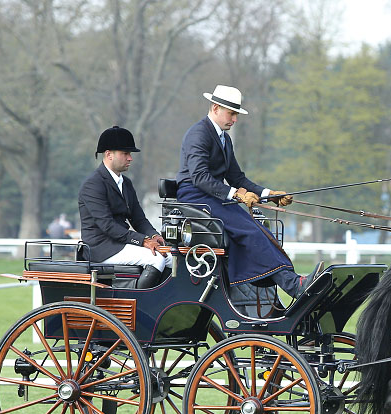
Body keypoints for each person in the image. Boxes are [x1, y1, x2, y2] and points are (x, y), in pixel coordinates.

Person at [175, 84, 321, 295]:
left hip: (214, 196)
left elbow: (236, 177)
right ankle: (294, 285)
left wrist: (268, 194)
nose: (235, 119)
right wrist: (235, 193)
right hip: (195, 197)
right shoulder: (198, 134)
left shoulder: (224, 139)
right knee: (250, 230)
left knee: (260, 228)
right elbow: (199, 177)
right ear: (215, 108)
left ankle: (293, 281)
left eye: (236, 114)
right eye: (231, 113)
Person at [78, 126, 169, 288]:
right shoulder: (93, 184)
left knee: (170, 257)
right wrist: (143, 241)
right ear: (108, 155)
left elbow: (139, 219)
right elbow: (107, 225)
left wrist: (154, 236)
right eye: (125, 153)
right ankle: (140, 306)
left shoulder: (126, 183)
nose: (130, 158)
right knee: (155, 258)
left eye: (130, 154)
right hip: (102, 247)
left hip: (121, 243)